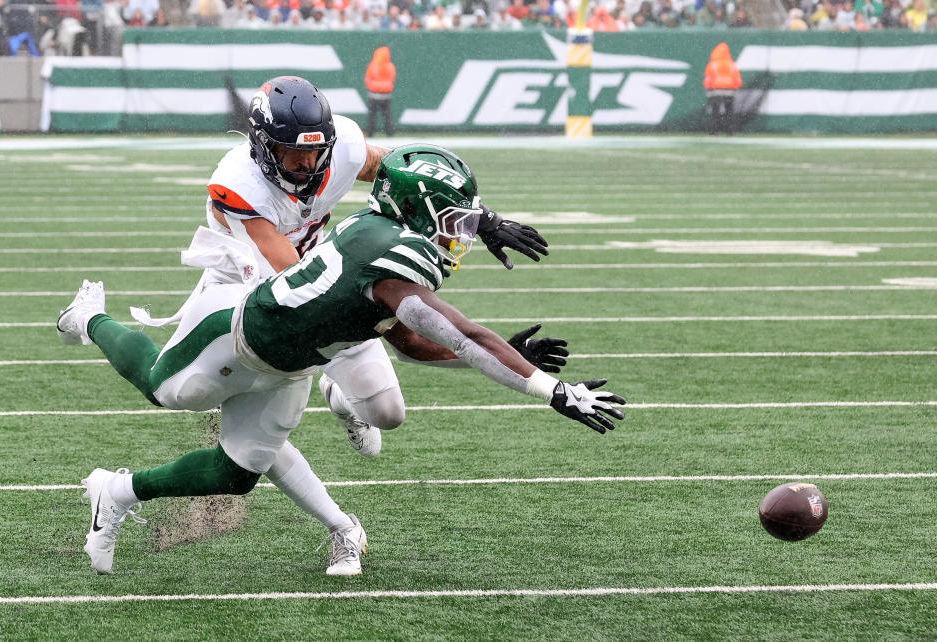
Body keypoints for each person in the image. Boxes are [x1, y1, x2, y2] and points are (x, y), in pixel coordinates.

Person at [57, 144, 625, 577]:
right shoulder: (394, 254)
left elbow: (413, 342)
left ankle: (117, 490)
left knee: (235, 475)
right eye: (455, 220)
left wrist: (487, 228)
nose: (461, 234)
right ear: (422, 214)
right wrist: (550, 388)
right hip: (238, 336)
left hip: (295, 361)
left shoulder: (380, 230)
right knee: (164, 389)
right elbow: (463, 334)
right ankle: (90, 319)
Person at [132, 76, 548, 460]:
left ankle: (339, 397)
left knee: (388, 412)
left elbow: (409, 175)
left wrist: (483, 218)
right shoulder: (239, 184)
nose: (307, 163)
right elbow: (294, 277)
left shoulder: (344, 147)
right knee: (187, 390)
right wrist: (363, 304)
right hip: (245, 283)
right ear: (262, 146)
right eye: (293, 152)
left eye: (315, 150)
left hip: (323, 268)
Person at [702, 41, 742, 135]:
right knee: (729, 112)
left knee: (715, 112)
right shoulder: (731, 65)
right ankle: (730, 131)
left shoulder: (712, 65)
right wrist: (734, 87)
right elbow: (738, 80)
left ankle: (714, 131)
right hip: (729, 92)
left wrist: (709, 88)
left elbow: (708, 80)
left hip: (715, 92)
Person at [364, 46, 396, 137]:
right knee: (387, 115)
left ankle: (370, 133)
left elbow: (367, 79)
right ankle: (389, 132)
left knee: (372, 115)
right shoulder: (390, 66)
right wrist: (386, 87)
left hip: (374, 94)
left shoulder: (372, 66)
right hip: (386, 95)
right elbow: (392, 79)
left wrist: (374, 87)